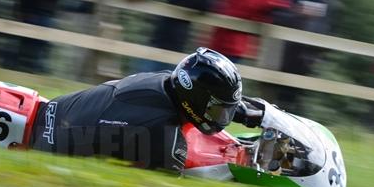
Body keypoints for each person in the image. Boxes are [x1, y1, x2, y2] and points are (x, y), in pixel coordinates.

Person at [29, 48, 263, 171]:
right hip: (44, 150)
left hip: (49, 110)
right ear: (195, 99)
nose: (223, 118)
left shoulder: (162, 82)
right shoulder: (165, 136)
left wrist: (253, 113)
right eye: (219, 110)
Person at [275, 0, 342, 112]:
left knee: (295, 97)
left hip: (309, 58)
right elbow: (277, 18)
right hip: (285, 54)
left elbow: (330, 31)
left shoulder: (331, 4)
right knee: (277, 93)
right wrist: (297, 13)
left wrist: (321, 54)